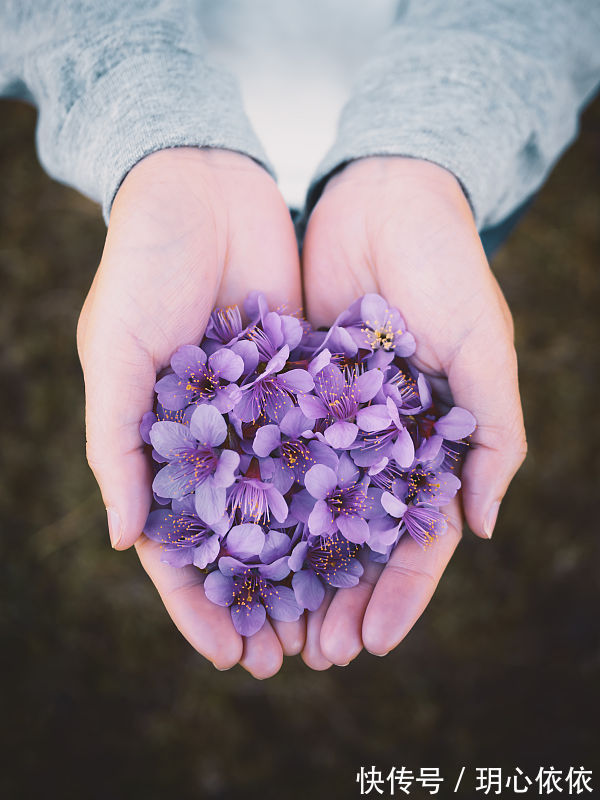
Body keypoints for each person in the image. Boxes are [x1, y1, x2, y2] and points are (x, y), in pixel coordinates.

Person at [1, 0, 599, 679]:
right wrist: (151, 125)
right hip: (170, 100)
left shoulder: (341, 428)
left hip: (431, 131)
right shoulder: (248, 449)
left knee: (458, 234)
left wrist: (434, 149)